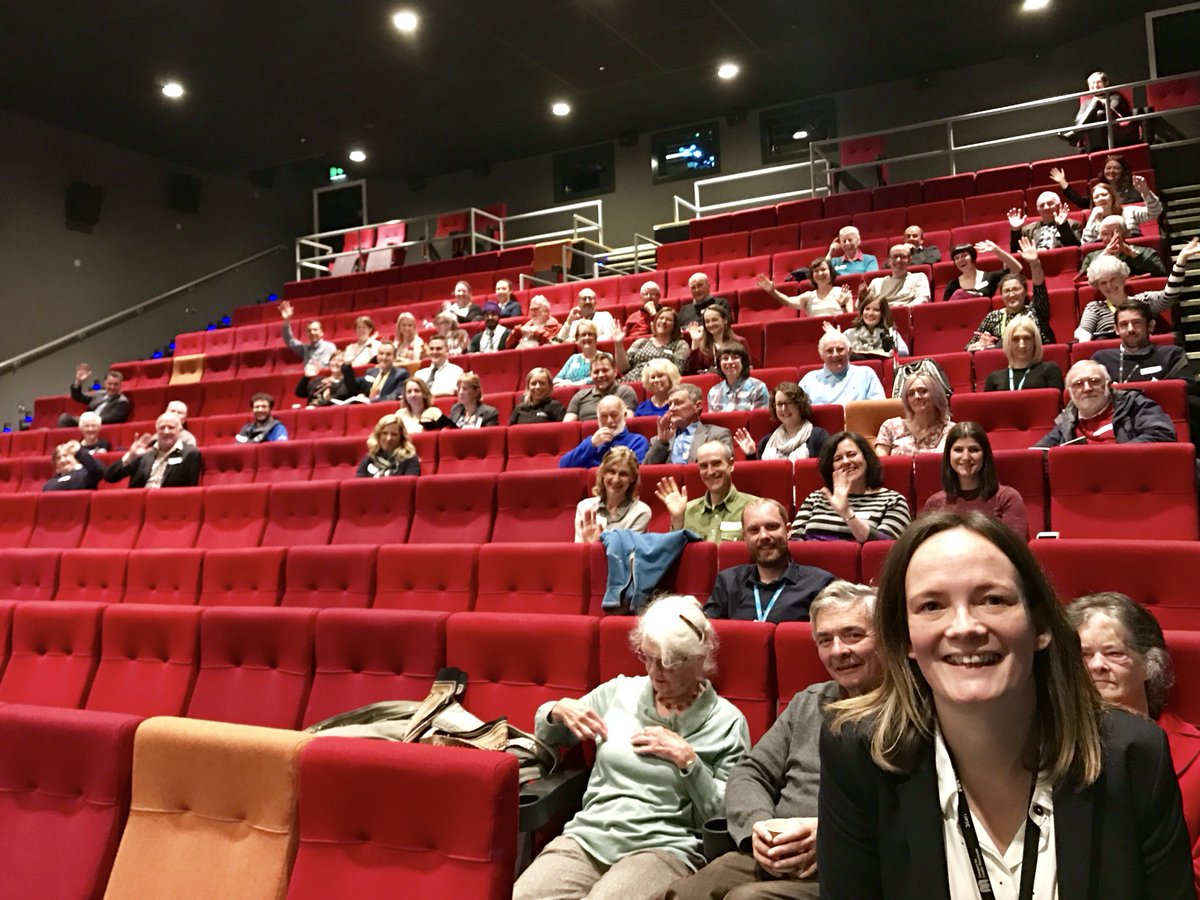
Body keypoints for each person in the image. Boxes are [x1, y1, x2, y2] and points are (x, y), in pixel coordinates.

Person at [818, 511, 1194, 899]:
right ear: (906, 638)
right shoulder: (858, 754)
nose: (964, 627)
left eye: (993, 600)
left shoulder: (1133, 754)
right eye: (932, 606)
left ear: (1042, 625)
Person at [512, 596, 749, 900]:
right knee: (523, 896)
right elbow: (549, 735)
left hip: (663, 848)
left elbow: (726, 815)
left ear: (698, 659)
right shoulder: (620, 691)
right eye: (647, 657)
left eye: (667, 663)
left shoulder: (726, 721)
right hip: (588, 836)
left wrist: (690, 763)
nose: (654, 671)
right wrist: (556, 709)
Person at [666, 581, 883, 900]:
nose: (838, 650)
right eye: (825, 640)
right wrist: (758, 827)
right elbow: (750, 772)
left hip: (852, 860)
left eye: (853, 635)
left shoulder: (905, 709)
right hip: (775, 851)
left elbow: (905, 812)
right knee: (686, 892)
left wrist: (828, 834)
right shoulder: (808, 702)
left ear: (885, 637)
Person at [1067, 592, 1200, 890]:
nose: (1097, 666)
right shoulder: (1045, 751)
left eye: (1114, 653)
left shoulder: (1198, 757)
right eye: (1083, 655)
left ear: (1149, 664)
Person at [704, 499, 836, 623]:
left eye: (771, 527)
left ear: (788, 531)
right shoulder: (728, 582)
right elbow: (706, 634)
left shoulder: (820, 584)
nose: (764, 536)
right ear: (744, 537)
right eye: (754, 530)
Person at [789, 431, 911, 542]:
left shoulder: (893, 500)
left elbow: (887, 547)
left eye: (852, 454)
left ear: (866, 458)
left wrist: (847, 514)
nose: (846, 461)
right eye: (838, 458)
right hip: (810, 565)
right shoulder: (816, 498)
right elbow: (794, 542)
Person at [1075, 237, 1198, 341]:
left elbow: (1170, 295)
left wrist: (1181, 260)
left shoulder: (1142, 300)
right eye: (1103, 282)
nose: (1109, 286)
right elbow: (1083, 330)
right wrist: (1084, 338)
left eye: (1113, 279)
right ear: (1098, 286)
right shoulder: (1094, 308)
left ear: (1123, 279)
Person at [1035, 359, 1176, 446]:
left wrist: (1113, 457)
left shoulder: (1133, 404)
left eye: (1094, 381)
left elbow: (1162, 434)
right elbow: (1039, 453)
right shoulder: (1067, 420)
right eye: (1078, 384)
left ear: (1109, 385)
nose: (1087, 389)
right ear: (1070, 393)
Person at [923, 422, 1028, 537]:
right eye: (958, 450)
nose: (966, 457)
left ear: (985, 455)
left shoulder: (1007, 498)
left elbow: (1015, 549)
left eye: (974, 450)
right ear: (948, 455)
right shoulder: (934, 503)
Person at [655, 441, 759, 543]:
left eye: (716, 464)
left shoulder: (754, 507)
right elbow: (674, 554)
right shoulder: (686, 510)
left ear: (730, 464)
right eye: (704, 466)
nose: (710, 472)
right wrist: (677, 520)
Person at [965, 237, 1055, 349]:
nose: (1011, 294)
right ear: (1001, 295)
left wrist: (1034, 263)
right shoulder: (993, 317)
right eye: (1007, 291)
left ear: (1025, 292)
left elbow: (1039, 287)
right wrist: (980, 345)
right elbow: (969, 348)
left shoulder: (1036, 310)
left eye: (1016, 289)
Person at [1093, 299, 1190, 383]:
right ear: (1117, 329)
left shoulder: (1172, 355)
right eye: (1124, 324)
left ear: (1150, 326)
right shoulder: (1101, 359)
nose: (1130, 329)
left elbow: (1183, 393)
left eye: (1136, 323)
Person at [735, 382, 830, 462]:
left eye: (789, 403)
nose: (784, 409)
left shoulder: (819, 437)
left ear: (800, 405)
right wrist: (751, 454)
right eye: (780, 404)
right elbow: (759, 476)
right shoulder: (766, 442)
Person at [573, 446, 652, 542]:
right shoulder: (585, 507)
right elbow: (579, 552)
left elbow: (627, 554)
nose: (616, 479)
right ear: (603, 473)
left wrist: (595, 544)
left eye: (623, 474)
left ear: (632, 478)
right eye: (611, 472)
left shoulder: (641, 512)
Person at [103, 412, 201, 489]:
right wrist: (131, 454)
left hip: (169, 506)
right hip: (138, 503)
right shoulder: (144, 453)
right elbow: (110, 477)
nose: (166, 432)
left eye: (171, 427)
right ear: (156, 430)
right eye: (162, 427)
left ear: (179, 430)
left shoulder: (191, 454)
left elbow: (191, 489)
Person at [645, 384, 735, 464]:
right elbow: (646, 474)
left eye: (677, 403)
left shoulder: (718, 435)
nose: (671, 408)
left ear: (697, 406)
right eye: (670, 404)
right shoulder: (659, 440)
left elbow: (725, 467)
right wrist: (662, 442)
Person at [874, 372, 953, 457]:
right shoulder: (891, 426)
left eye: (923, 391)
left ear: (936, 395)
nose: (917, 396)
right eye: (911, 394)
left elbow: (941, 463)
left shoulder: (948, 430)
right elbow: (878, 463)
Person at [559, 395, 649, 468]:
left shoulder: (637, 441)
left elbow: (634, 471)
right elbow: (563, 465)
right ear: (598, 418)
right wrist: (591, 444)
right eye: (604, 416)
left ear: (624, 415)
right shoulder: (591, 442)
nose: (609, 421)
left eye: (614, 415)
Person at [797, 331, 886, 406]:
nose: (835, 354)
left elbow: (878, 407)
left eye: (840, 349)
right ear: (821, 355)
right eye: (829, 351)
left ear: (849, 351)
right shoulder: (808, 380)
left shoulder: (866, 374)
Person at [982, 316, 1065, 392]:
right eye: (1015, 339)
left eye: (1027, 338)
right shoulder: (994, 378)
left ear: (1034, 341)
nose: (1022, 345)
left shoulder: (1050, 370)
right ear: (1008, 342)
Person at [1063, 70, 1136, 153]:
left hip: (1114, 130)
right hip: (1093, 136)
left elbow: (1112, 111)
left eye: (1098, 82)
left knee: (1099, 111)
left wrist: (1099, 102)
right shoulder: (1086, 103)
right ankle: (1076, 135)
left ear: (1106, 83)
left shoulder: (1115, 96)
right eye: (1092, 83)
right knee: (1096, 110)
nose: (1095, 86)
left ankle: (1075, 135)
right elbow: (1078, 120)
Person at [754, 258, 853, 317]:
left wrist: (843, 306)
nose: (820, 273)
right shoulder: (809, 296)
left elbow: (849, 322)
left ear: (831, 272)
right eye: (816, 271)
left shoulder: (842, 292)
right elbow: (788, 301)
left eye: (823, 269)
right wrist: (773, 292)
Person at [1076, 216, 1166, 280]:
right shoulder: (1091, 256)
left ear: (1126, 233)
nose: (1110, 238)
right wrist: (1103, 256)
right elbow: (1082, 280)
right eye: (1104, 234)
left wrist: (1133, 253)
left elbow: (1161, 273)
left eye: (1115, 232)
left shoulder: (1145, 251)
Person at [615, 306, 689, 383]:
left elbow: (678, 372)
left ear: (674, 326)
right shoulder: (641, 342)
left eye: (668, 320)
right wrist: (618, 344)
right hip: (631, 381)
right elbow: (623, 369)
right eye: (661, 318)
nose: (663, 321)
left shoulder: (680, 345)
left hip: (657, 383)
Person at [1080, 176, 1162, 242]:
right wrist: (1092, 218)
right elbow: (1085, 243)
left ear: (1112, 197)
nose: (1101, 199)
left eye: (1104, 195)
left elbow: (1155, 212)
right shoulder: (1095, 221)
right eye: (1096, 197)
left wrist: (1146, 192)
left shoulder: (1129, 211)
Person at [564, 352, 638, 422]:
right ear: (590, 375)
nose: (600, 375)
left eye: (605, 370)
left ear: (615, 372)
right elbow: (567, 427)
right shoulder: (580, 396)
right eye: (596, 372)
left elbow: (627, 423)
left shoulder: (625, 392)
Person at [1051, 154, 1143, 207]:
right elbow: (1081, 202)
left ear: (1123, 171)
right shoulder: (1100, 191)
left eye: (1116, 168)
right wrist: (1063, 182)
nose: (1111, 171)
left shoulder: (1133, 189)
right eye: (1108, 168)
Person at [941, 241, 1022, 301]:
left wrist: (997, 251)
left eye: (964, 255)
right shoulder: (952, 284)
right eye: (956, 258)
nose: (960, 260)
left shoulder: (990, 277)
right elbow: (946, 308)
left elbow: (1016, 269)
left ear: (972, 257)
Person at [1006, 192, 1082, 253]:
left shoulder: (1074, 225)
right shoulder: (1028, 229)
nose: (1046, 207)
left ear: (1058, 205)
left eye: (1050, 203)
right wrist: (1015, 230)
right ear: (1038, 210)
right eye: (1042, 205)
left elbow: (1076, 249)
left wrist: (1063, 225)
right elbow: (1016, 253)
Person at [59, 365, 130, 427]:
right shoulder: (99, 394)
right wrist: (78, 381)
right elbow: (78, 397)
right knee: (64, 418)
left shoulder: (122, 402)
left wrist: (90, 420)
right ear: (105, 383)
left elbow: (111, 418)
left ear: (121, 385)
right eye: (110, 384)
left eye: (115, 384)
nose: (112, 387)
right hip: (86, 421)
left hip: (99, 425)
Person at [686, 304, 748, 374]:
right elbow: (692, 372)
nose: (711, 324)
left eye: (714, 320)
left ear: (725, 320)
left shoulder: (739, 342)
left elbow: (746, 369)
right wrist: (695, 341)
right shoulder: (702, 346)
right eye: (707, 321)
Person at [860, 244, 931, 306]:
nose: (898, 260)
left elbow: (923, 299)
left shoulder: (919, 277)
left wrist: (902, 311)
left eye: (903, 257)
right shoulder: (876, 282)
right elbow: (863, 308)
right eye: (895, 256)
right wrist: (863, 297)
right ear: (889, 261)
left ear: (909, 260)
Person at [844, 294, 910, 360]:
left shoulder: (890, 334)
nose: (870, 313)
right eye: (867, 309)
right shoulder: (849, 334)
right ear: (862, 312)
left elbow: (904, 352)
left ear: (883, 314)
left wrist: (888, 353)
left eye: (876, 310)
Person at [707, 344, 769, 413]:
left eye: (735, 357)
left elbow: (759, 420)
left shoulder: (758, 388)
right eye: (725, 358)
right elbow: (712, 423)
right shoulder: (713, 392)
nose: (730, 362)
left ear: (743, 362)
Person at [354, 413, 420, 477]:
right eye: (384, 433)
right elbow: (358, 485)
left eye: (394, 434)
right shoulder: (369, 458)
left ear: (401, 437)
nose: (388, 438)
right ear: (378, 435)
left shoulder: (409, 459)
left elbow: (410, 485)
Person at [342, 340, 409, 402]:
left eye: (388, 354)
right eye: (381, 353)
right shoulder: (370, 372)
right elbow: (353, 388)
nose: (384, 357)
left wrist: (370, 401)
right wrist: (347, 365)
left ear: (394, 358)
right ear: (377, 356)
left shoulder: (401, 374)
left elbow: (394, 396)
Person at [279, 300, 335, 369]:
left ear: (321, 332)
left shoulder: (330, 347)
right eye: (309, 331)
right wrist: (287, 320)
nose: (312, 332)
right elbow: (289, 341)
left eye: (315, 330)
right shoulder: (305, 349)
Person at [554, 320, 600, 386]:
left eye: (590, 334)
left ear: (595, 338)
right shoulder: (574, 358)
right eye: (583, 335)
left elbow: (598, 378)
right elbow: (557, 379)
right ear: (577, 339)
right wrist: (564, 382)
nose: (587, 337)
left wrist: (572, 385)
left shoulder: (604, 357)